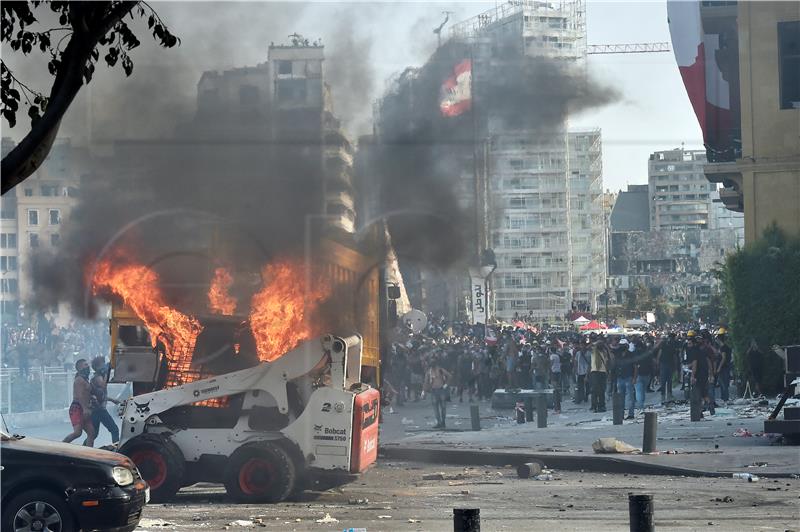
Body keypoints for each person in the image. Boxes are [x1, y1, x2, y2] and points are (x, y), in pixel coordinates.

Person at [63, 359, 96, 446]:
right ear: (80, 367)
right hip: (77, 408)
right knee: (78, 433)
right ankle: (61, 446)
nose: (88, 367)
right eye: (85, 365)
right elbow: (79, 395)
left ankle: (88, 453)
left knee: (91, 433)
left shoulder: (85, 379)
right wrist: (85, 409)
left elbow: (87, 394)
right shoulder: (79, 380)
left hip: (84, 408)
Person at [90, 356, 120, 445]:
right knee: (114, 429)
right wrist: (106, 374)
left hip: (96, 409)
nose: (104, 365)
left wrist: (112, 400)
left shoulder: (99, 376)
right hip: (98, 409)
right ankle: (116, 450)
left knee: (94, 434)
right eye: (102, 364)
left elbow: (101, 395)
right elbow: (103, 386)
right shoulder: (97, 377)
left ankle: (84, 448)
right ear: (97, 366)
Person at [425, 358, 452, 429]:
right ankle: (440, 422)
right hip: (434, 391)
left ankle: (442, 422)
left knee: (442, 407)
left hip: (441, 390)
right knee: (436, 408)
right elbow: (426, 381)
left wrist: (445, 385)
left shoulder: (440, 370)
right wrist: (424, 390)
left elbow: (449, 376)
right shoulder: (429, 372)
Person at [615, 339, 636, 419]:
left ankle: (631, 414)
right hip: (620, 378)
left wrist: (634, 378)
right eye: (621, 345)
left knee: (630, 397)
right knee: (621, 398)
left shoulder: (631, 355)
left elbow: (635, 367)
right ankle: (621, 414)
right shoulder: (618, 355)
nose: (622, 347)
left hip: (628, 378)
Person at [657, 333, 680, 403]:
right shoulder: (672, 345)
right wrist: (676, 366)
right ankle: (668, 394)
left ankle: (664, 394)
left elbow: (659, 353)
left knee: (665, 380)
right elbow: (674, 356)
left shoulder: (664, 344)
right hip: (668, 364)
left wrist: (658, 362)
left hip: (665, 364)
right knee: (668, 380)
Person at [589, 337, 609, 413]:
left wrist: (607, 372)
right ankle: (594, 406)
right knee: (594, 390)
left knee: (601, 390)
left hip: (603, 372)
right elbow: (588, 347)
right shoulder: (594, 351)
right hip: (595, 372)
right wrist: (596, 343)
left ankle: (601, 406)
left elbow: (606, 362)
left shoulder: (604, 352)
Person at [714, 328, 732, 402]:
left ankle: (725, 399)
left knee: (723, 384)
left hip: (723, 368)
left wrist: (719, 368)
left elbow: (723, 358)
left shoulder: (723, 348)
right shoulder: (725, 347)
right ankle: (724, 399)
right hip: (725, 367)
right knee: (723, 384)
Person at [549, 347, 562, 414]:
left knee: (555, 390)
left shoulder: (552, 356)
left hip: (553, 372)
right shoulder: (557, 356)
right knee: (557, 389)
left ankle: (557, 408)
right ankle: (558, 407)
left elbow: (551, 364)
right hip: (558, 372)